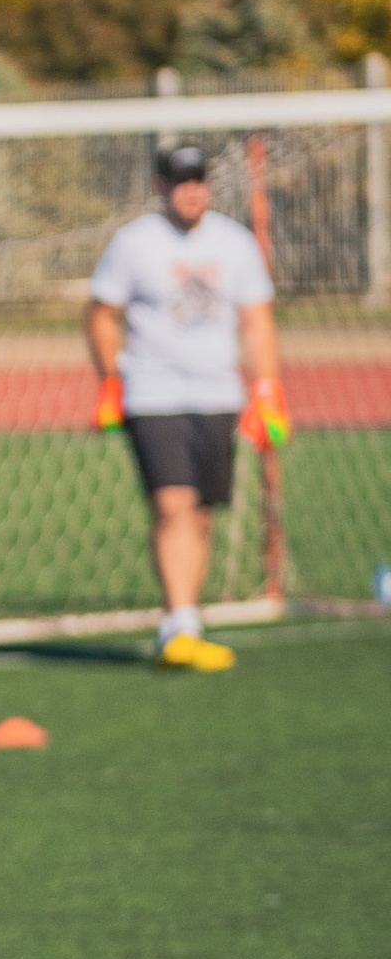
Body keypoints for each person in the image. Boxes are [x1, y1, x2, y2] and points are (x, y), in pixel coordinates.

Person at [86, 140, 287, 673]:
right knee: (172, 504)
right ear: (161, 187)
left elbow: (256, 318)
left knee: (199, 513)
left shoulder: (236, 243)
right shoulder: (134, 243)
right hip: (152, 394)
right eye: (181, 181)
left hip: (219, 394)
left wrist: (266, 386)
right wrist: (111, 381)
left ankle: (183, 619)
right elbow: (102, 314)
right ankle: (181, 624)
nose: (192, 190)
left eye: (199, 180)